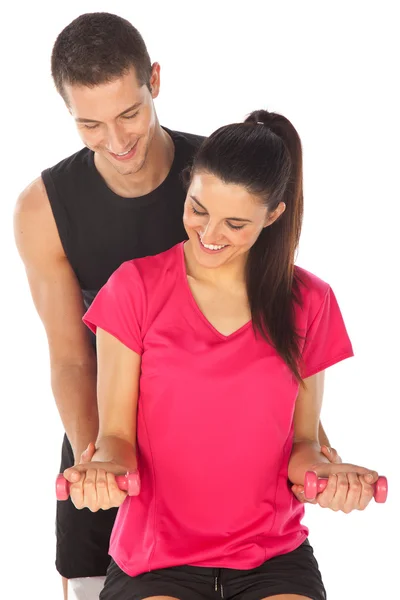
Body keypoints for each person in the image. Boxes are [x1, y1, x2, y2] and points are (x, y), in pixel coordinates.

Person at [14, 11, 340, 600]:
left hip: (223, 466)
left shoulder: (218, 174)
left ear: (154, 81)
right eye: (90, 124)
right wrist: (104, 463)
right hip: (106, 428)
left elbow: (273, 321)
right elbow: (70, 358)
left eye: (130, 114)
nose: (117, 142)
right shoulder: (43, 210)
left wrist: (309, 442)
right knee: (94, 578)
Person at [63, 109, 379, 600]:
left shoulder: (310, 302)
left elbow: (304, 446)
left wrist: (329, 477)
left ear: (273, 215)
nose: (209, 234)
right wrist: (105, 472)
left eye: (235, 223)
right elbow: (117, 437)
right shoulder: (134, 288)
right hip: (155, 559)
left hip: (272, 557)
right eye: (198, 210)